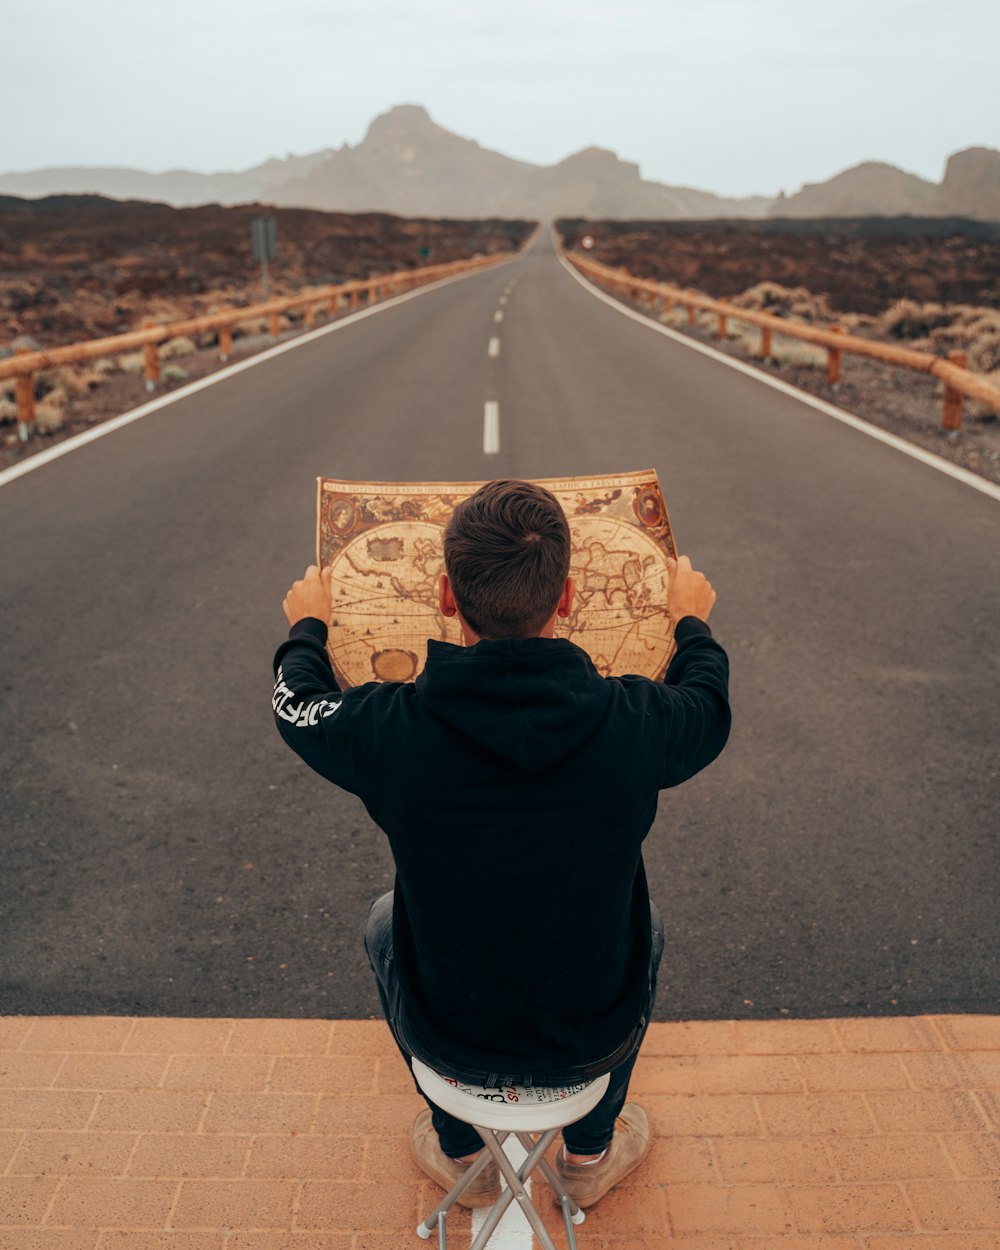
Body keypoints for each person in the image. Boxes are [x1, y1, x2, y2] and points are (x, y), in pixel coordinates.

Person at [273, 478, 730, 1209]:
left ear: (447, 597)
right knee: (648, 928)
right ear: (571, 595)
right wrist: (690, 625)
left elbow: (295, 704)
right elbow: (708, 703)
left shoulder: (389, 729)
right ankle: (590, 1152)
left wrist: (308, 629)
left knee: (384, 920)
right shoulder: (635, 724)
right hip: (592, 1041)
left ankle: (464, 1154)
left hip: (448, 1040)